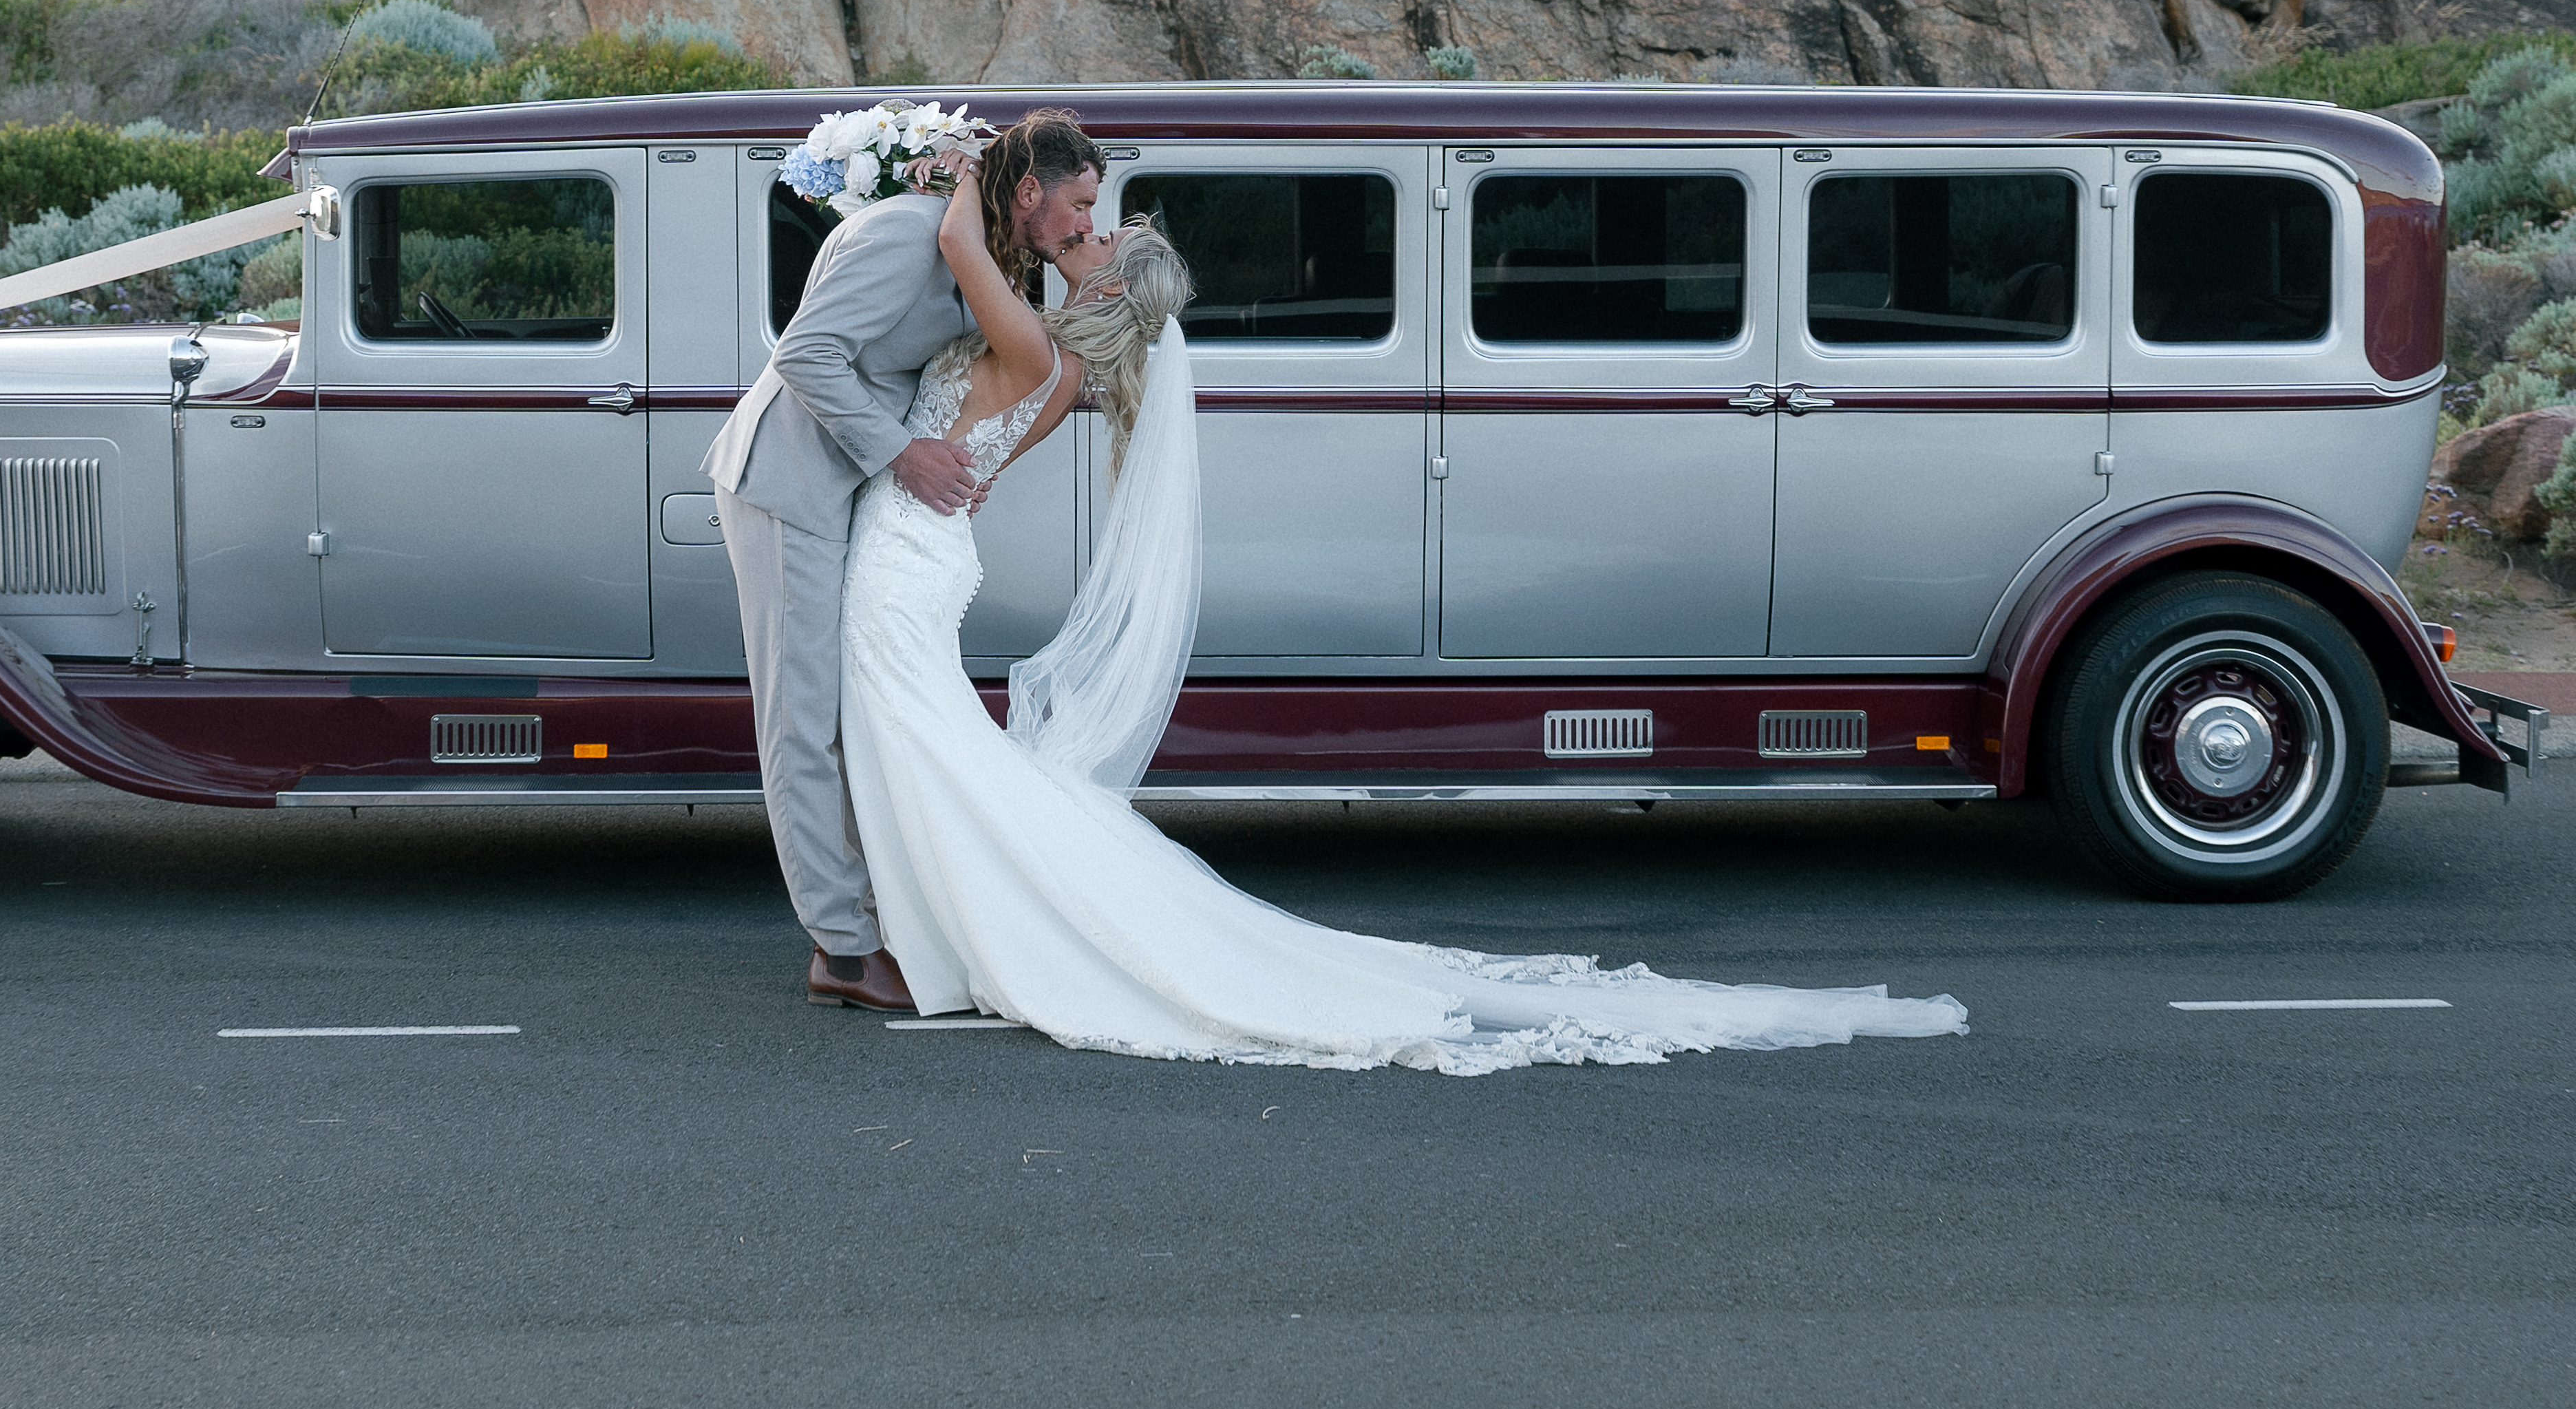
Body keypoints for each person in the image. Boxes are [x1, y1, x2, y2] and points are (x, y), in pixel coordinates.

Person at [835, 136, 1973, 1072]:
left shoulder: (1031, 343)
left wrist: (964, 161)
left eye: (1102, 241)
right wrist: (1049, 218)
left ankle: (954, 946)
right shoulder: (1061, 354)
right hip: (928, 555)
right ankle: (932, 944)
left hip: (905, 563)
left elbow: (954, 235)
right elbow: (1012, 253)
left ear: (1099, 298)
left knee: (926, 749)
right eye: (1090, 220)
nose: (1090, 233)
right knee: (927, 751)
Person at [707, 107, 1108, 1010]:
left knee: (844, 706)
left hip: (848, 487)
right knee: (802, 714)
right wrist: (902, 452)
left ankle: (869, 905)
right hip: (788, 485)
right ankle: (841, 950)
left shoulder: (977, 248)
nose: (1086, 221)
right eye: (1080, 202)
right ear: (1031, 189)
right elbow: (808, 354)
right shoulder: (900, 237)